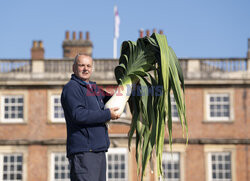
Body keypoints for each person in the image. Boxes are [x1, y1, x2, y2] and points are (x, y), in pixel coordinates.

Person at [61, 53, 120, 181]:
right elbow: (78, 114)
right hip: (84, 152)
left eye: (88, 66)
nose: (85, 69)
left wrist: (131, 86)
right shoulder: (71, 88)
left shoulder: (94, 89)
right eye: (81, 65)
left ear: (92, 69)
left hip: (98, 150)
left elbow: (114, 99)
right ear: (74, 68)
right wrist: (107, 114)